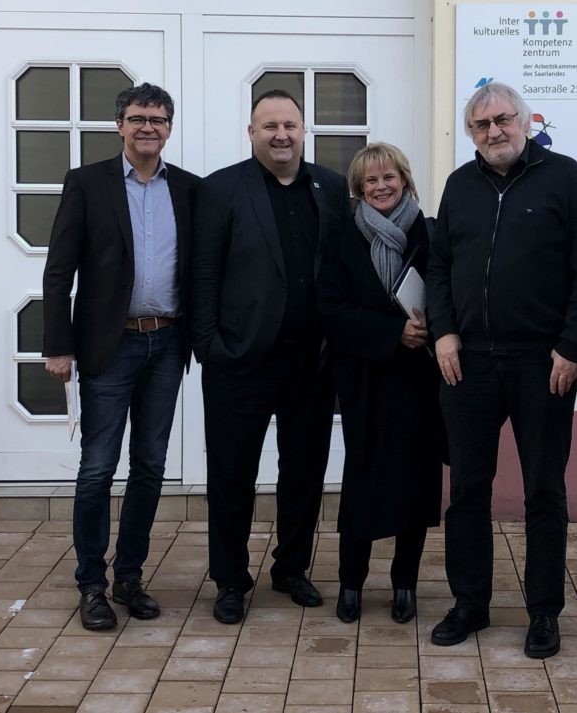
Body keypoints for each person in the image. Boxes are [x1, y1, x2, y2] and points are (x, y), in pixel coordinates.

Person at [426, 82, 577, 658]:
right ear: (471, 133)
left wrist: (573, 347)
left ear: (525, 122)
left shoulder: (564, 178)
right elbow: (439, 266)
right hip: (469, 363)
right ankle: (470, 603)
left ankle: (543, 612)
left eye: (503, 120)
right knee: (468, 490)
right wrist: (444, 332)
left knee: (544, 492)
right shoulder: (459, 186)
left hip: (542, 363)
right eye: (481, 125)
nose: (493, 131)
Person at [190, 89, 351, 625]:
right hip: (240, 360)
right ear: (251, 132)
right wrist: (210, 345)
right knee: (232, 476)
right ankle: (231, 580)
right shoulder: (220, 190)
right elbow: (204, 272)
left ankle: (290, 569)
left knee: (303, 474)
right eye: (269, 126)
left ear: (304, 130)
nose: (281, 135)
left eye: (290, 125)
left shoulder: (331, 187)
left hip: (313, 361)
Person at [42, 83, 200, 631]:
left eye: (158, 119)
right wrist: (58, 345)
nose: (148, 127)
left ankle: (130, 576)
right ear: (119, 125)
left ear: (170, 128)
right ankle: (92, 583)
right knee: (97, 468)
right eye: (137, 118)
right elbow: (59, 270)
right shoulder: (87, 184)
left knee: (151, 467)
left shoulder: (188, 189)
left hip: (168, 343)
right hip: (111, 344)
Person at [317, 143, 444, 624]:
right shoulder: (342, 238)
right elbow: (331, 309)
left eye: (389, 176)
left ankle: (404, 585)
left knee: (416, 483)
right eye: (370, 181)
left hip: (419, 380)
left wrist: (428, 329)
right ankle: (351, 582)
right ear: (358, 189)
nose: (381, 186)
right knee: (363, 482)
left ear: (405, 180)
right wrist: (394, 333)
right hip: (367, 377)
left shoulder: (430, 233)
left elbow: (448, 294)